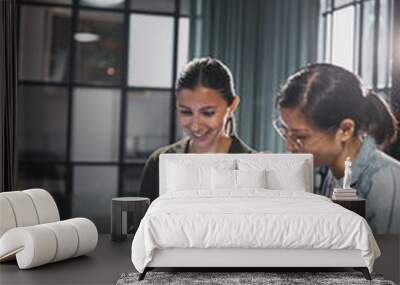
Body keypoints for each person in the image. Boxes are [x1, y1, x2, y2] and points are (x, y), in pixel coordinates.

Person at [274, 63, 400, 234]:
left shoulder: (385, 182)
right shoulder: (332, 173)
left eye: (300, 137)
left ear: (345, 130)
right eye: (284, 131)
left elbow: (388, 258)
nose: (289, 146)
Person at [139, 57, 254, 202]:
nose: (195, 126)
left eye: (208, 113)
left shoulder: (252, 166)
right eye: (186, 112)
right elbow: (143, 223)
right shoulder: (159, 162)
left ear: (232, 106)